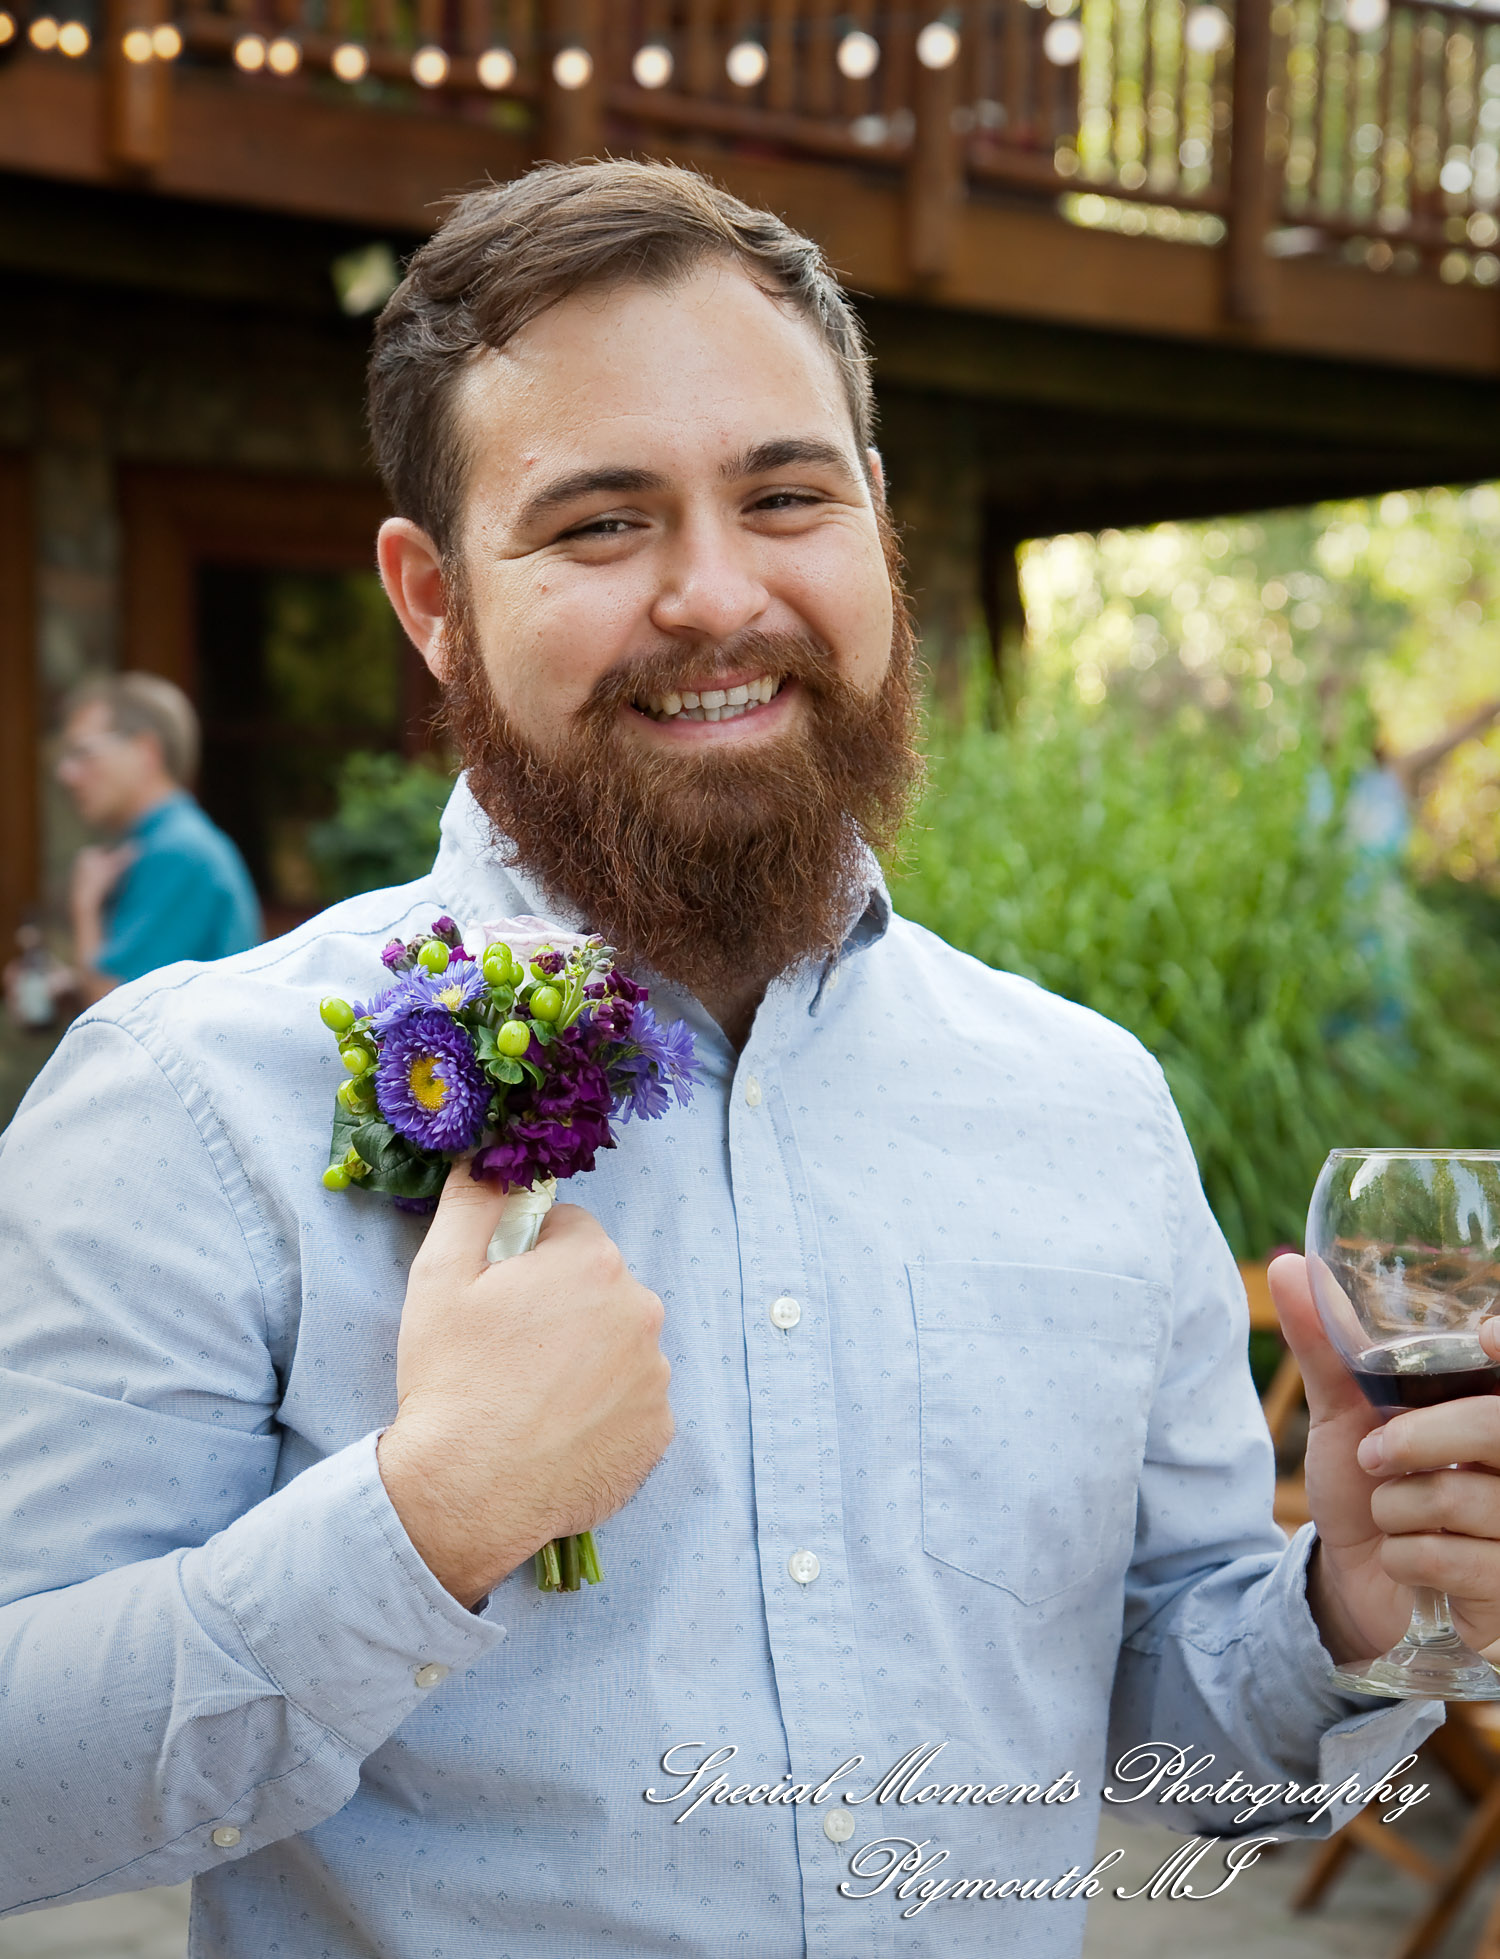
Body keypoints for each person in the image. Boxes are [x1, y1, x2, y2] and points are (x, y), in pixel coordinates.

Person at [1, 161, 1496, 1956]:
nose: (717, 595)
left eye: (786, 495)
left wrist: (1352, 1600)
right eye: (600, 524)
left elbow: (1186, 1760)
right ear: (431, 596)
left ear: (874, 518)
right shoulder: (189, 1097)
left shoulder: (1084, 1099)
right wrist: (423, 1519)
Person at [52, 672, 261, 1001]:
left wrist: (85, 908)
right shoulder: (161, 842)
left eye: (83, 752)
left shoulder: (177, 852)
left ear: (145, 751)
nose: (66, 773)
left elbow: (112, 1013)